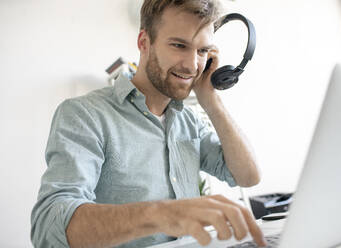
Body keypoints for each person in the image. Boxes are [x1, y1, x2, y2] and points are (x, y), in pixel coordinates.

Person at [31, 0, 267, 247]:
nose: (192, 65)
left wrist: (211, 100)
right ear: (144, 42)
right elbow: (49, 227)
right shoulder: (85, 115)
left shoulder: (189, 122)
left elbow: (248, 176)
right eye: (179, 45)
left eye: (202, 51)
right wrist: (160, 215)